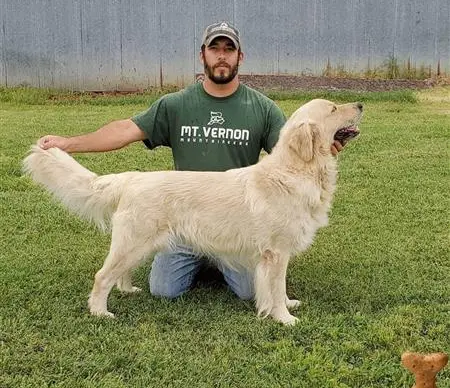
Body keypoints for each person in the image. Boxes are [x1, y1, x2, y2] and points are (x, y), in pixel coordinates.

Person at [38, 21, 344, 301]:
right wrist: (69, 143)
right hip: (183, 216)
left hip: (237, 225)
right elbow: (123, 130)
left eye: (229, 49)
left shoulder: (262, 108)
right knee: (164, 290)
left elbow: (294, 149)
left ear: (240, 57)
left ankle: (222, 264)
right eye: (215, 49)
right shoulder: (177, 103)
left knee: (251, 292)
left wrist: (323, 145)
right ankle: (193, 263)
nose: (222, 56)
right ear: (203, 56)